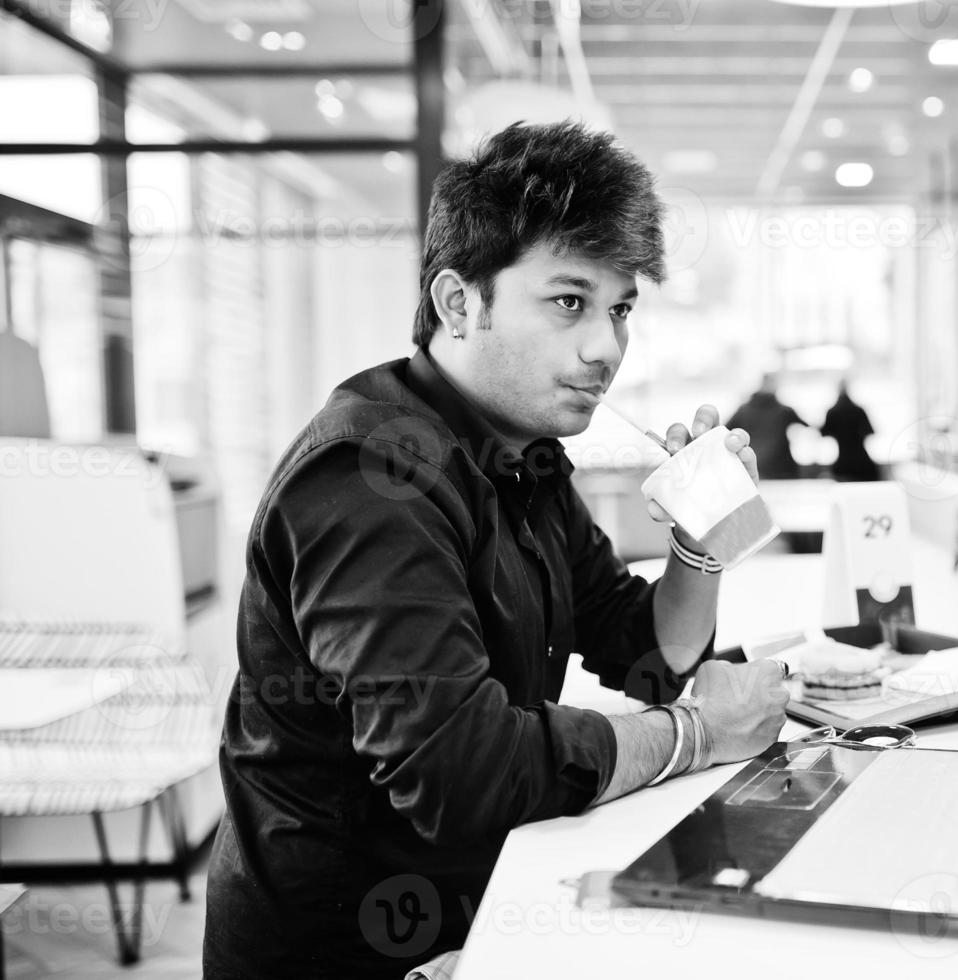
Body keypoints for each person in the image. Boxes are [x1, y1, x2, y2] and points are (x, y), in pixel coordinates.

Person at [203, 122, 789, 980]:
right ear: (457, 303)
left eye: (619, 308)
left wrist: (698, 553)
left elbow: (642, 650)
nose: (605, 348)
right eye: (568, 301)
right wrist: (700, 734)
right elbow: (461, 776)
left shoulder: (525, 452)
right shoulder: (371, 476)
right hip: (345, 947)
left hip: (473, 907)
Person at [727, 372, 807, 480]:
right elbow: (808, 426)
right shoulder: (784, 411)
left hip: (752, 463)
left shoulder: (743, 410)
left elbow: (726, 429)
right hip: (782, 467)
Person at [820, 380, 880, 482]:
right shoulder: (858, 410)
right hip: (862, 463)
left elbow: (823, 433)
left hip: (843, 464)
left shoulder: (832, 412)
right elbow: (870, 431)